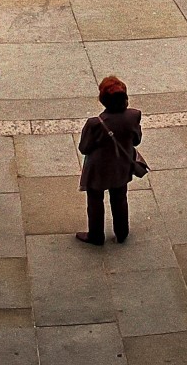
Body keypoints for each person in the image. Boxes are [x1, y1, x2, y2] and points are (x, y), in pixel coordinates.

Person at [77, 76, 142, 246]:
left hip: (98, 169)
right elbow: (136, 140)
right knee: (120, 198)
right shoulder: (134, 115)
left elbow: (84, 147)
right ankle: (122, 232)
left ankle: (96, 235)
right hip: (121, 165)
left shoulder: (95, 123)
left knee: (95, 200)